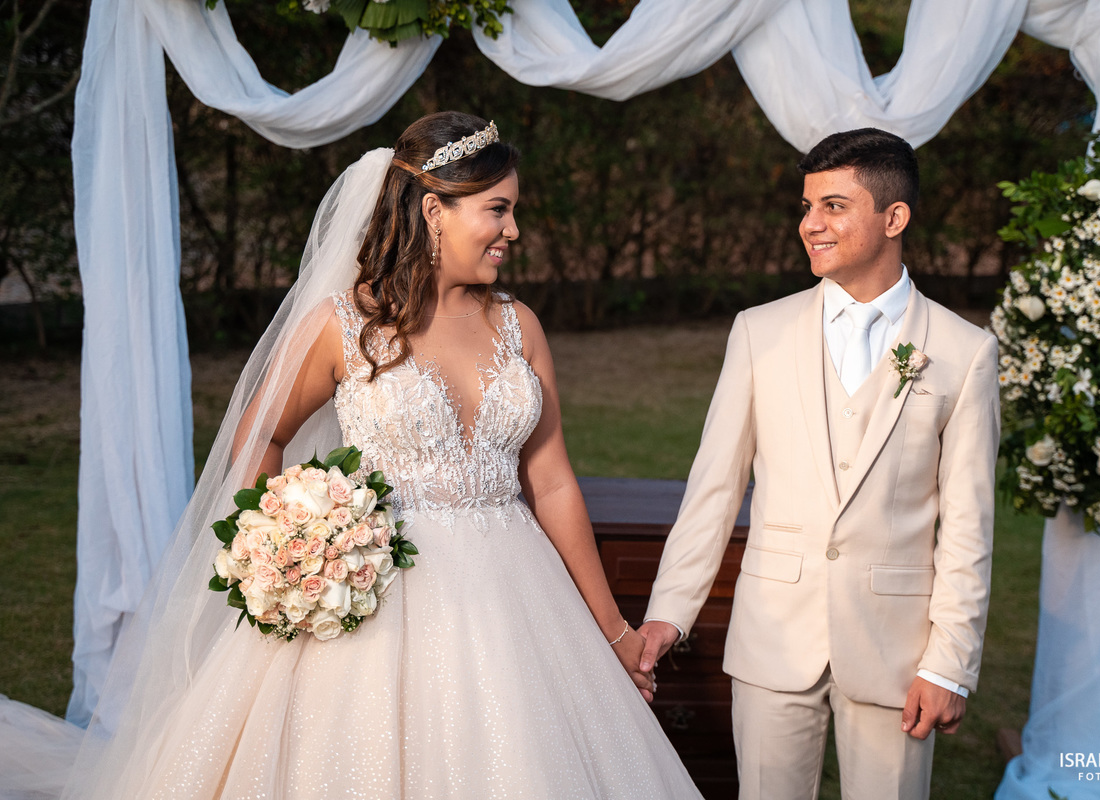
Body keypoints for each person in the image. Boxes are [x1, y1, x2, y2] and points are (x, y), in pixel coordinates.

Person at [0, 112, 702, 799]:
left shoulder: (521, 326)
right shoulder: (342, 325)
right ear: (435, 212)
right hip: (379, 595)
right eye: (498, 210)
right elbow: (261, 436)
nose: (513, 230)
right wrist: (280, 540)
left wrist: (612, 631)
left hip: (518, 598)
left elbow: (551, 484)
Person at [636, 128, 1000, 799]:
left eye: (833, 206)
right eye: (806, 207)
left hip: (899, 649)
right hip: (774, 635)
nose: (810, 225)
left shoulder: (963, 351)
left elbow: (970, 527)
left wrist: (950, 664)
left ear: (894, 218)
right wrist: (669, 612)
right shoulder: (759, 331)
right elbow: (714, 490)